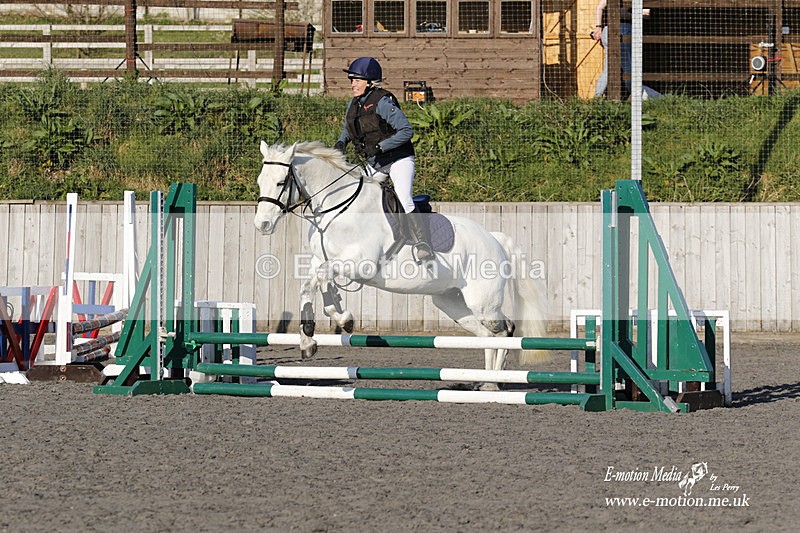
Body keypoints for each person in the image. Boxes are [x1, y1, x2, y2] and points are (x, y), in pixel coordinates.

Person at [334, 56, 434, 262]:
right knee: (358, 193)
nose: (352, 84)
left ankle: (423, 243)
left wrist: (381, 146)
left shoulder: (382, 102)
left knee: (404, 198)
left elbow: (407, 131)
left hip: (399, 159)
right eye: (351, 80)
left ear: (370, 82)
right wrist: (341, 142)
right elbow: (348, 127)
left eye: (357, 80)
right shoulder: (353, 104)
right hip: (377, 163)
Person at [591, 0, 661, 99]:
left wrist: (598, 27)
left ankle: (597, 97)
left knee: (608, 69)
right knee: (629, 68)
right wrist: (637, 13)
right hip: (620, 30)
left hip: (608, 30)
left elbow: (600, 7)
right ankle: (643, 95)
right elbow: (645, 14)